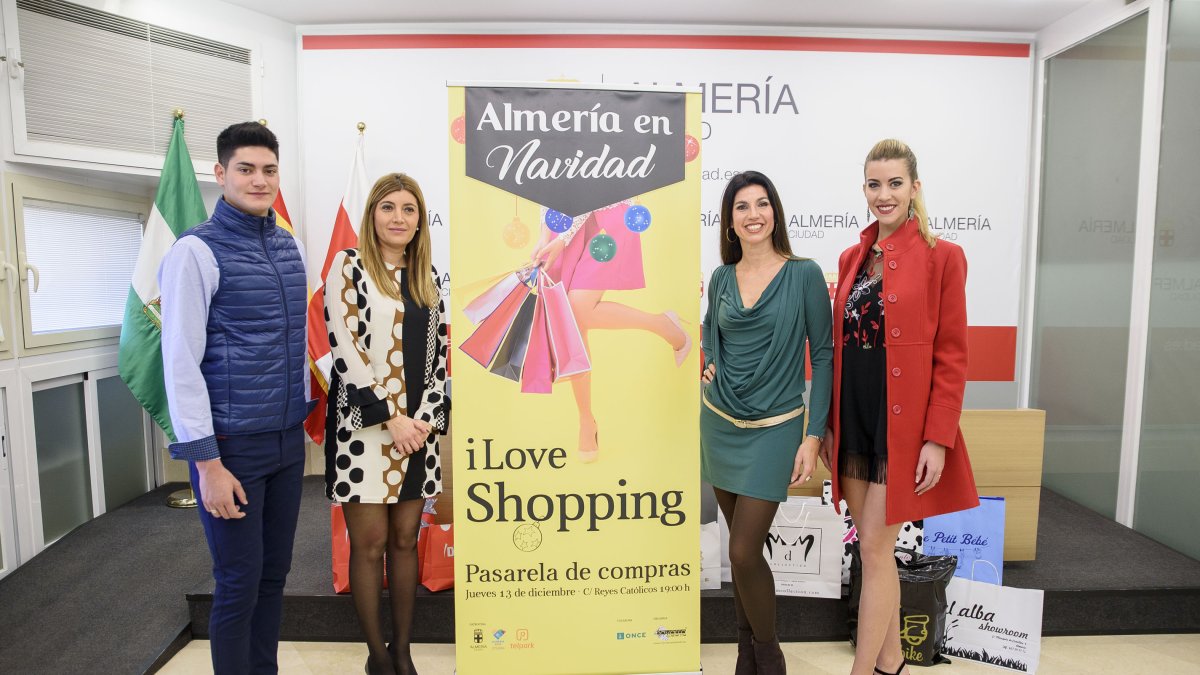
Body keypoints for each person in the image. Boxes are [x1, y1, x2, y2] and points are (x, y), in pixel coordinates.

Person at [821, 139, 979, 675]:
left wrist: (939, 436)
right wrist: (826, 426)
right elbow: (835, 350)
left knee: (874, 549)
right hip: (855, 420)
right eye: (873, 184)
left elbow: (953, 355)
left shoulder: (944, 257)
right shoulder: (851, 257)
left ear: (914, 187)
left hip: (903, 427)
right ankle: (892, 661)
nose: (883, 195)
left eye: (894, 183)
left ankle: (862, 670)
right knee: (873, 547)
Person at [160, 121, 311, 674]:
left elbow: (293, 346)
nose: (259, 180)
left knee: (273, 578)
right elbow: (179, 363)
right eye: (245, 169)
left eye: (269, 170)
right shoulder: (195, 251)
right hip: (231, 448)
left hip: (286, 442)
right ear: (220, 174)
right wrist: (208, 464)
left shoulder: (287, 244)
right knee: (238, 583)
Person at [700, 171, 833, 675]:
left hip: (777, 428)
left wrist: (813, 434)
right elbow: (713, 334)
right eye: (741, 207)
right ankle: (745, 657)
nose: (752, 214)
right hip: (719, 422)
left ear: (774, 212)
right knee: (741, 557)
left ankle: (770, 657)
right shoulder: (720, 277)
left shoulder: (803, 274)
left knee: (742, 548)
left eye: (761, 204)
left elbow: (821, 355)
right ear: (730, 222)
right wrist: (709, 359)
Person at [323, 173, 449, 675]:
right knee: (370, 544)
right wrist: (390, 419)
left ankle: (403, 652)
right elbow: (345, 352)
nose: (399, 218)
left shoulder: (428, 278)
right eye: (388, 208)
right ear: (372, 213)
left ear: (420, 221)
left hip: (418, 434)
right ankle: (376, 657)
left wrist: (419, 422)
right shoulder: (348, 267)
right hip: (364, 432)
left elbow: (438, 363)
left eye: (409, 209)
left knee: (405, 541)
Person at [530, 200, 690, 462]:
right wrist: (545, 233)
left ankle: (663, 325)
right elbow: (549, 183)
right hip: (568, 219)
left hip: (610, 213)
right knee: (573, 319)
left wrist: (563, 237)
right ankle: (586, 419)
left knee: (578, 307)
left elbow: (590, 186)